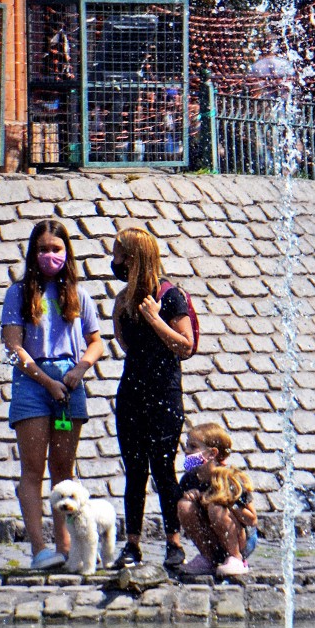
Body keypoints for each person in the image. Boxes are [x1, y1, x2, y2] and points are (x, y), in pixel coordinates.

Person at [1, 219, 105, 570]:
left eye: (55, 249)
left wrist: (79, 370)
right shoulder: (18, 293)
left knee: (64, 468)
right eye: (43, 249)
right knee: (33, 469)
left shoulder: (78, 294)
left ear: (66, 253)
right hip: (33, 383)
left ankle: (67, 548)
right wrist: (46, 381)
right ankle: (39, 548)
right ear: (34, 253)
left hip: (70, 382)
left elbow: (96, 341)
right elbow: (13, 345)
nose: (49, 255)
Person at [110, 226, 194, 571]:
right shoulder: (122, 299)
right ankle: (132, 544)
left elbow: (185, 346)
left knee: (163, 469)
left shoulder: (171, 296)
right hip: (132, 391)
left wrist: (154, 319)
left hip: (164, 393)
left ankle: (174, 543)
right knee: (134, 470)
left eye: (118, 255)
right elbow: (125, 344)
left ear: (133, 258)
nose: (113, 262)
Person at [177, 422, 258, 577]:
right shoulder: (190, 479)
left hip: (242, 540)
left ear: (212, 453)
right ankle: (208, 558)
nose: (186, 452)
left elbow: (252, 520)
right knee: (184, 505)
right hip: (213, 540)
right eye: (186, 446)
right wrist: (193, 499)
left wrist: (228, 502)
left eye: (193, 447)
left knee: (216, 507)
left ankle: (236, 558)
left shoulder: (230, 479)